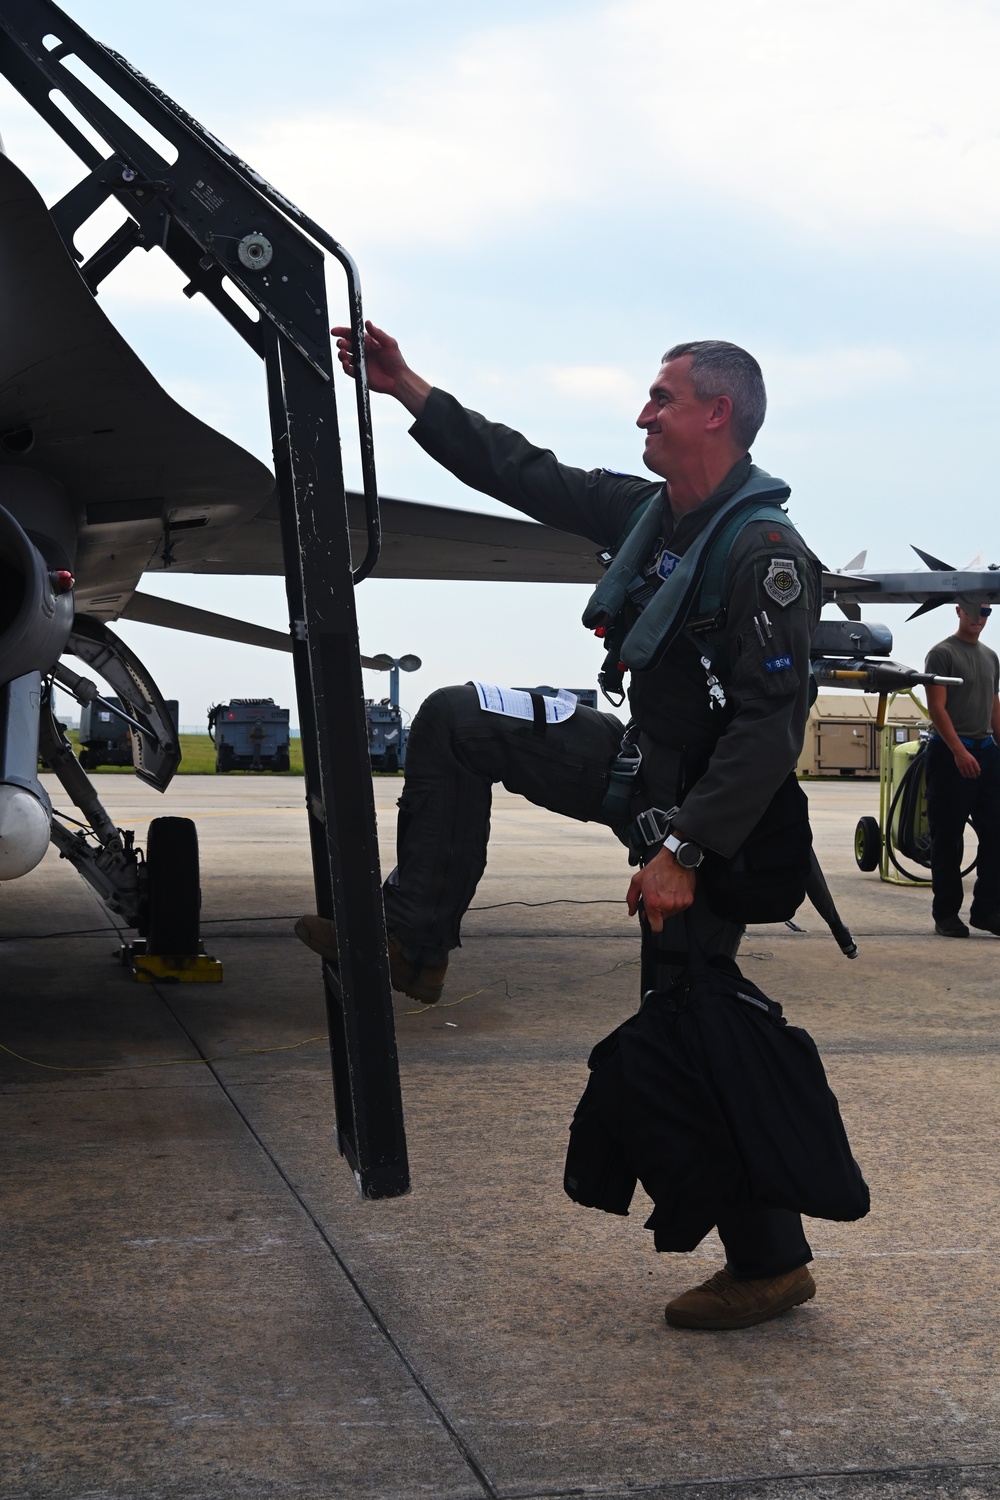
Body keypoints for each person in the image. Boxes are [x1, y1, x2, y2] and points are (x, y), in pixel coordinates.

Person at [298, 321, 824, 1330]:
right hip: (640, 768)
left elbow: (769, 731)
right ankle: (414, 936)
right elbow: (523, 473)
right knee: (457, 717)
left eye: (661, 398)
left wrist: (682, 853)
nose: (642, 412)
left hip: (716, 818)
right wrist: (409, 389)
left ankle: (769, 1260)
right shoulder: (651, 516)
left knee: (696, 1025)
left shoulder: (763, 556)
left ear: (716, 412)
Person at [924, 596, 1000, 937]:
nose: (978, 617)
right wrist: (958, 751)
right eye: (971, 611)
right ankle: (946, 914)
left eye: (985, 612)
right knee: (948, 837)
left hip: (986, 753)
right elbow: (937, 709)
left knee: (996, 834)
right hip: (949, 755)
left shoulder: (990, 657)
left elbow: (993, 703)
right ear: (958, 611)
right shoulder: (942, 654)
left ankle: (986, 911)